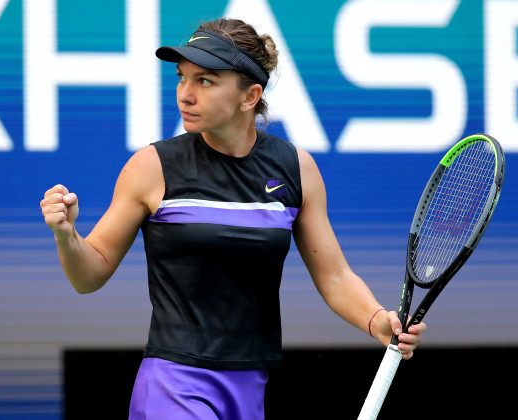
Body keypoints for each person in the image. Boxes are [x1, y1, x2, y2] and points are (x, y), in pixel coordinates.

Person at [40, 18, 426, 420]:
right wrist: (66, 236)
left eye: (205, 81)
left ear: (250, 96)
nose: (185, 95)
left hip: (249, 384)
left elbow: (334, 276)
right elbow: (90, 275)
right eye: (182, 78)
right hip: (173, 383)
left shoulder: (296, 169)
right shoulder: (152, 167)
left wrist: (376, 319)